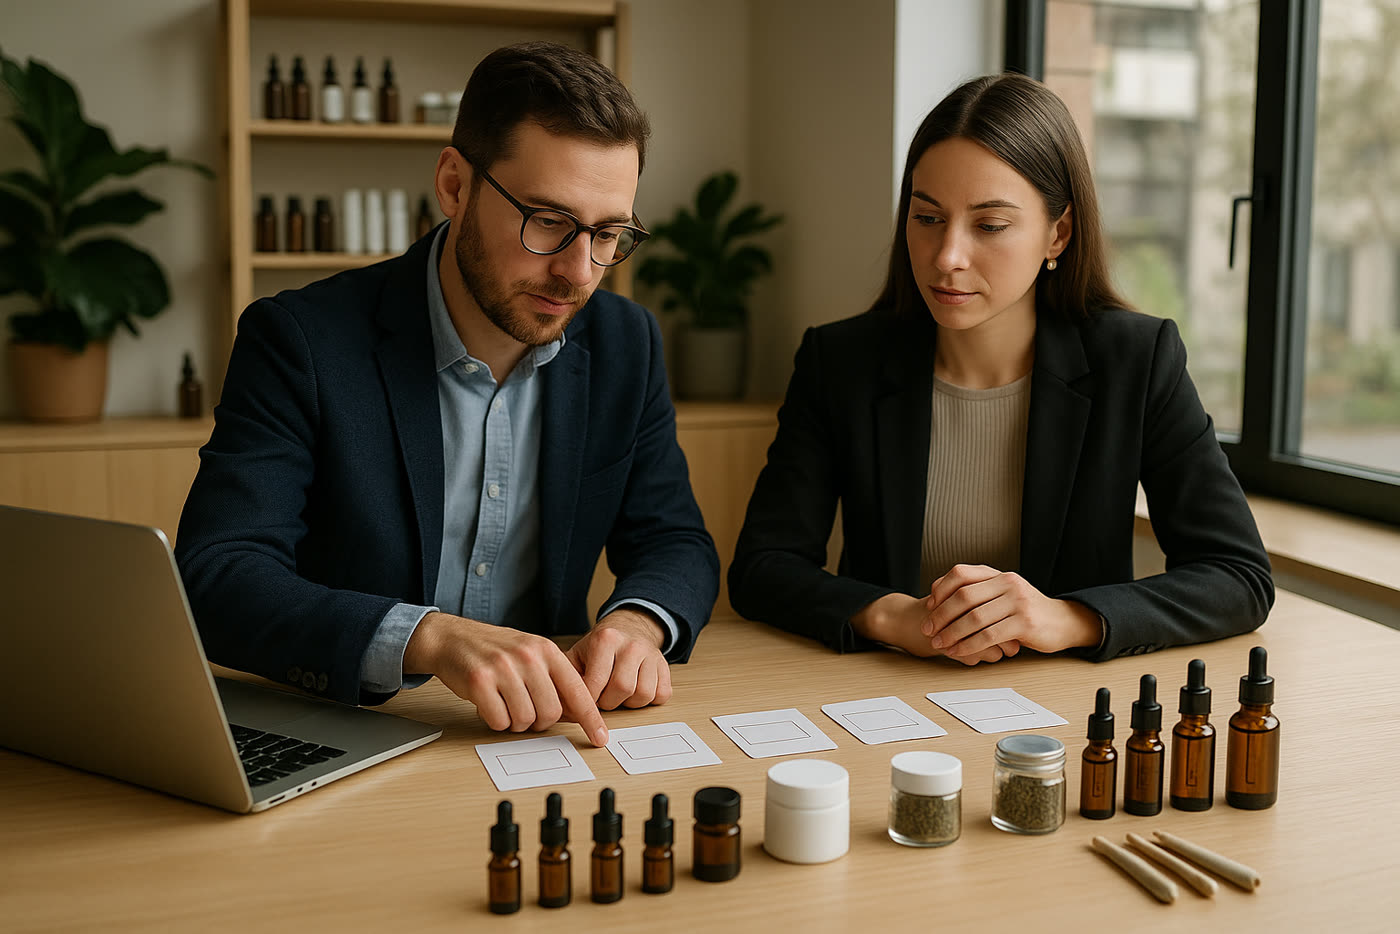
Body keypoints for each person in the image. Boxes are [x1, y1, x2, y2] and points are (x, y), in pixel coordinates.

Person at [177, 42, 719, 747]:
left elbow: (674, 539)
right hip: (353, 731)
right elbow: (219, 575)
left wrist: (637, 623)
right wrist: (426, 638)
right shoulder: (300, 341)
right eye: (548, 222)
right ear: (456, 185)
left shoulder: (627, 343)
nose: (577, 271)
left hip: (541, 735)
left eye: (609, 233)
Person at [728, 73, 1273, 666]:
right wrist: (893, 616)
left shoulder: (1137, 361)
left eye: (989, 225)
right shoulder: (840, 363)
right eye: (927, 217)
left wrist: (1065, 618)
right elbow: (763, 567)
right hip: (885, 694)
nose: (947, 257)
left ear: (1057, 234)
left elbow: (1238, 575)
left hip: (1063, 704)